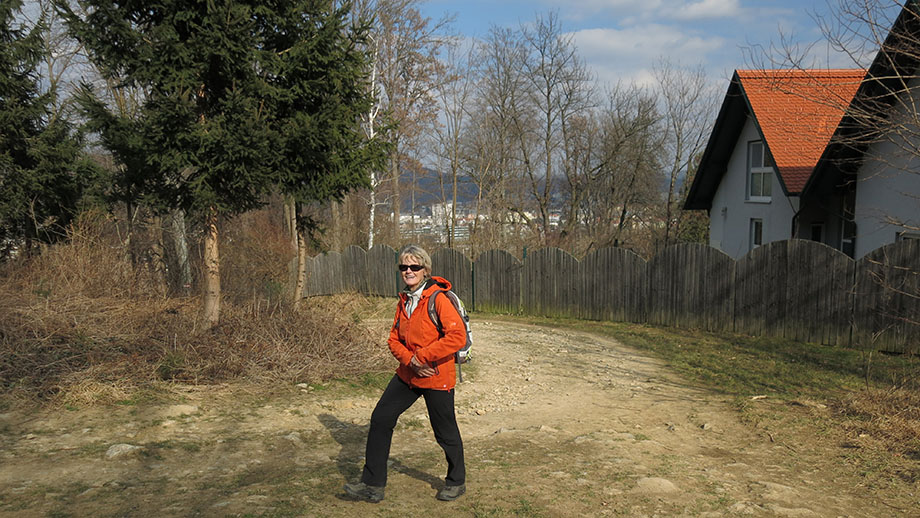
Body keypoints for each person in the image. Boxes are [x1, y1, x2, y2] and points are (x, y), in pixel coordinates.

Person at [344, 245, 467, 503]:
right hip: (408, 374)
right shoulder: (404, 301)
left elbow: (457, 337)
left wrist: (422, 357)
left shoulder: (438, 299)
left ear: (425, 269)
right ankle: (372, 485)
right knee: (380, 419)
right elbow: (393, 340)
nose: (408, 271)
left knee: (444, 431)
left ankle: (456, 481)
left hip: (436, 376)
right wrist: (411, 360)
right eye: (404, 267)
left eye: (414, 266)